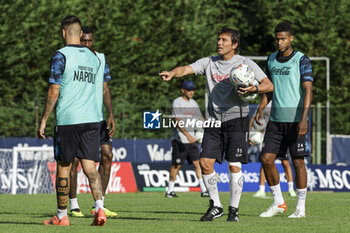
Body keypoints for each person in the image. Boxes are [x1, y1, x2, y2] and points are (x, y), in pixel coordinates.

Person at [159, 28, 273, 222]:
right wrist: (172, 73)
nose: (219, 43)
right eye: (219, 39)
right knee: (205, 163)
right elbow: (186, 68)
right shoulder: (209, 62)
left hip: (237, 119)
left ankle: (233, 210)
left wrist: (254, 88)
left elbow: (268, 85)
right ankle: (216, 206)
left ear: (234, 45)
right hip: (213, 120)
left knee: (234, 166)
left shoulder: (245, 64)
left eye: (224, 40)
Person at [39, 15, 106, 226]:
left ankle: (61, 215)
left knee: (64, 166)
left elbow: (53, 92)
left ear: (63, 32)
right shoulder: (94, 58)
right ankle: (100, 209)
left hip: (69, 120)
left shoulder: (60, 56)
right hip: (92, 119)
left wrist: (43, 120)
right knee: (90, 168)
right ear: (80, 33)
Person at [257, 22, 313, 218]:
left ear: (291, 38)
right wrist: (261, 107)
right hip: (275, 120)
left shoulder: (301, 60)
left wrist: (304, 118)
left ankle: (300, 207)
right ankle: (278, 202)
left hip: (297, 119)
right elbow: (270, 88)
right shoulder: (271, 59)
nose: (279, 42)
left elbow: (308, 89)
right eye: (277, 39)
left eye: (283, 38)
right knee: (266, 159)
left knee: (298, 162)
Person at [68, 26, 117, 218]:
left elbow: (104, 88)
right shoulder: (71, 59)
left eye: (89, 41)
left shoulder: (100, 59)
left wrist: (110, 114)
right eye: (83, 41)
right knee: (73, 161)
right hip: (77, 118)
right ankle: (73, 205)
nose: (87, 44)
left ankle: (100, 205)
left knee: (108, 155)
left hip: (98, 117)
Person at [165, 80, 209, 198]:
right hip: (180, 140)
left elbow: (200, 117)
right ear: (182, 90)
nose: (191, 92)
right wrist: (187, 135)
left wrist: (206, 126)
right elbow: (177, 120)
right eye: (189, 90)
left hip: (192, 139)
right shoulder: (177, 102)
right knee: (177, 165)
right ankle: (170, 191)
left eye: (193, 90)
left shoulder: (193, 103)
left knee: (197, 164)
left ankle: (204, 190)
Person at [249, 103, 296, 198]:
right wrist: (249, 133)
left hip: (281, 136)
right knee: (265, 162)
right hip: (267, 137)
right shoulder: (263, 104)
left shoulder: (281, 103)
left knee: (285, 163)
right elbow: (254, 118)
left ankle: (291, 189)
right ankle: (261, 190)